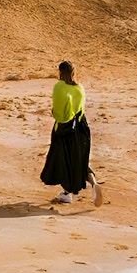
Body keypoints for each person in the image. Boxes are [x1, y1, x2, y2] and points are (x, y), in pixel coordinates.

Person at [39, 60, 103, 207]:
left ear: (60, 72)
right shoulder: (79, 87)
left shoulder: (59, 86)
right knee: (80, 160)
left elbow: (60, 113)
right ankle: (94, 184)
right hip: (82, 127)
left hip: (66, 129)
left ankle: (67, 194)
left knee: (63, 159)